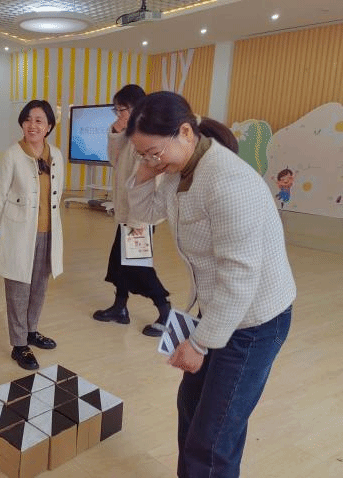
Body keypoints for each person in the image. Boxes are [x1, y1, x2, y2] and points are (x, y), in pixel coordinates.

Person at [124, 91, 296, 478]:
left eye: (153, 152)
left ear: (185, 132)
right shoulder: (180, 171)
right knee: (191, 410)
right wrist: (144, 175)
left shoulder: (228, 181)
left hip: (255, 322)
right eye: (142, 154)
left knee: (213, 438)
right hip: (220, 309)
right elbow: (143, 213)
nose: (151, 161)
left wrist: (200, 343)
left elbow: (240, 277)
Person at [0, 100, 64, 370]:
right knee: (18, 290)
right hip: (18, 232)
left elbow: (58, 192)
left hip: (47, 232)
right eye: (28, 119)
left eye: (39, 121)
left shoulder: (56, 155)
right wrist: (0, 232)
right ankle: (19, 344)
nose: (32, 125)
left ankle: (32, 331)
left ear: (49, 126)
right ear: (22, 123)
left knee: (39, 287)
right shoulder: (12, 155)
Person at [92, 84, 171, 336]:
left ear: (137, 108)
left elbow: (153, 180)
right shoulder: (129, 132)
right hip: (127, 214)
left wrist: (139, 221)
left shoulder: (149, 135)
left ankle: (166, 312)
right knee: (119, 264)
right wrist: (116, 134)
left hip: (140, 217)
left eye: (122, 109)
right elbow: (114, 161)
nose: (118, 115)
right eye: (115, 110)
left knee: (138, 267)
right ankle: (120, 307)